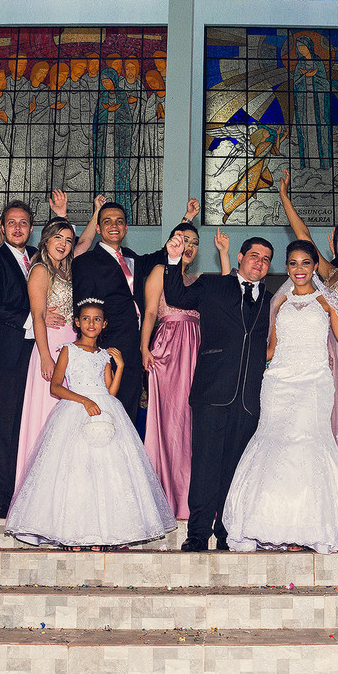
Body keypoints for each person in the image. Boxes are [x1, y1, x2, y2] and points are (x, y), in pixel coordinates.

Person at [222, 240, 338, 552]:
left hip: (314, 382)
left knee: (309, 447)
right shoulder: (278, 301)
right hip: (278, 382)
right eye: (292, 263)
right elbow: (270, 347)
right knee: (274, 444)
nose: (299, 269)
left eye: (305, 263)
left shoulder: (327, 300)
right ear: (285, 267)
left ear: (315, 266)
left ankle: (309, 527)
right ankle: (270, 524)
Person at [6, 298, 175, 549]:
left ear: (104, 324)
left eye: (97, 319)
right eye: (86, 318)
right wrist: (83, 400)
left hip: (104, 411)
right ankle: (73, 534)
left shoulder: (103, 356)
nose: (91, 323)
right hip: (76, 409)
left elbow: (110, 392)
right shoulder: (68, 350)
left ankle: (101, 534)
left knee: (106, 472)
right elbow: (55, 387)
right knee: (76, 471)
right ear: (77, 322)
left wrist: (119, 367)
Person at [162, 235, 275, 552]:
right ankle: (197, 532)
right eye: (254, 255)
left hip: (249, 398)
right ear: (239, 257)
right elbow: (176, 295)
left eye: (266, 259)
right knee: (205, 465)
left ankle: (227, 531)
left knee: (236, 469)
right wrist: (172, 261)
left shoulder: (270, 298)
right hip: (212, 392)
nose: (259, 262)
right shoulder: (213, 284)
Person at [279, 169, 338, 455]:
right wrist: (285, 197)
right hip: (326, 348)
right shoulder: (330, 273)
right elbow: (303, 235)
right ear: (333, 244)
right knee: (328, 406)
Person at [139, 220, 231, 519]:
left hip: (197, 352)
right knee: (170, 423)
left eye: (193, 242)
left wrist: (224, 255)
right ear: (171, 243)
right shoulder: (158, 271)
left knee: (194, 424)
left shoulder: (201, 280)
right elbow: (151, 311)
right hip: (167, 351)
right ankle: (166, 497)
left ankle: (194, 499)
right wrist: (144, 348)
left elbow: (229, 290)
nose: (188, 246)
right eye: (182, 240)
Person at [71, 201, 185, 422]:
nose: (114, 226)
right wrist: (94, 350)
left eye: (119, 222)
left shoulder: (130, 256)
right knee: (107, 413)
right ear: (98, 228)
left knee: (129, 413)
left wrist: (185, 222)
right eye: (107, 222)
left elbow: (158, 257)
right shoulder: (86, 262)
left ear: (125, 228)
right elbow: (83, 307)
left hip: (135, 346)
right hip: (107, 346)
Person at [0, 200, 38, 518]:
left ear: (31, 227)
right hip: (3, 355)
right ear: (2, 227)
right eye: (11, 223)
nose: (17, 228)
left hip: (36, 357)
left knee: (29, 425)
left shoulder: (40, 257)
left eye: (23, 223)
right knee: (2, 427)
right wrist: (34, 319)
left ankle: (24, 493)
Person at [15, 216, 77, 491]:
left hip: (70, 345)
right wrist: (45, 357)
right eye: (58, 238)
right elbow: (38, 316)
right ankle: (39, 491)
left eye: (68, 240)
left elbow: (86, 241)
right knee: (47, 414)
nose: (63, 244)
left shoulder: (66, 271)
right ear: (46, 240)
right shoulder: (40, 269)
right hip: (49, 346)